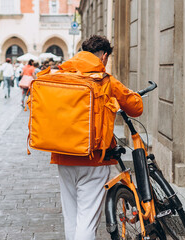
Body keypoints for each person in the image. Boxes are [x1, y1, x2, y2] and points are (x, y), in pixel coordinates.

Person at [50, 35, 143, 240]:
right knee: (87, 218)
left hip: (63, 155)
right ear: (104, 56)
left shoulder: (61, 75)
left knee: (71, 216)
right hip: (94, 159)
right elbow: (136, 108)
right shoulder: (105, 80)